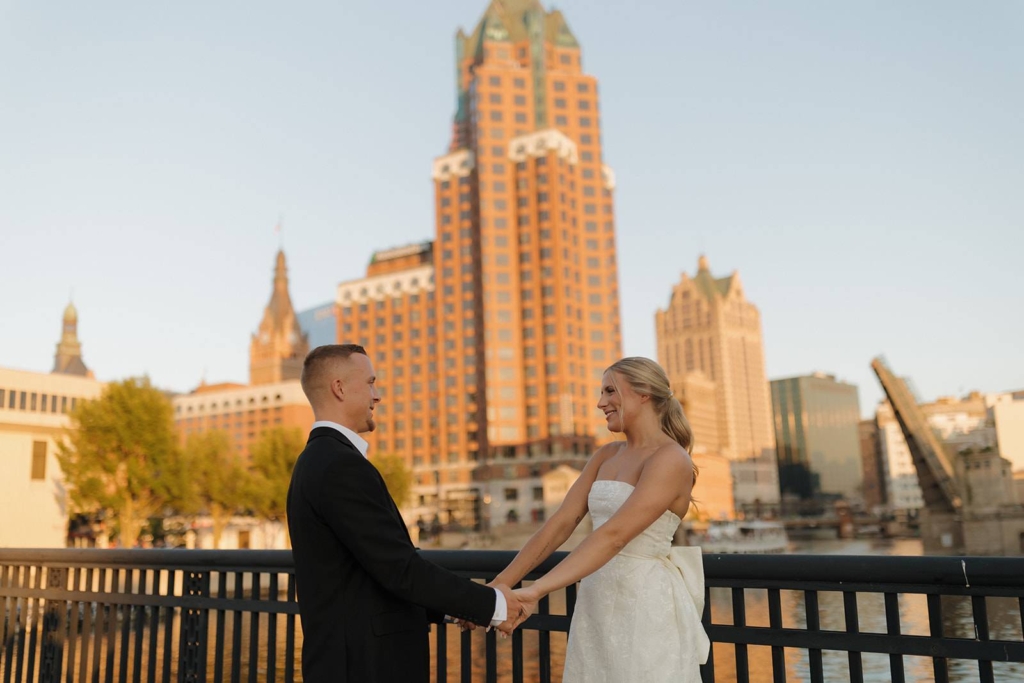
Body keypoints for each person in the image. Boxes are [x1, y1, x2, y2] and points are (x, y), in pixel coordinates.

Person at [287, 344, 521, 682]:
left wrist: (453, 610)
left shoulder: (315, 460)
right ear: (339, 388)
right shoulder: (340, 465)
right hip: (364, 666)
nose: (377, 394)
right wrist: (493, 606)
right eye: (370, 382)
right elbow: (398, 568)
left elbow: (367, 573)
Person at [495, 357, 710, 682]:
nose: (600, 403)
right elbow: (560, 523)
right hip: (596, 599)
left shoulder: (670, 459)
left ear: (644, 394)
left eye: (610, 391)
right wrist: (501, 585)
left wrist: (536, 591)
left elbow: (615, 536)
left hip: (644, 602)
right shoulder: (605, 455)